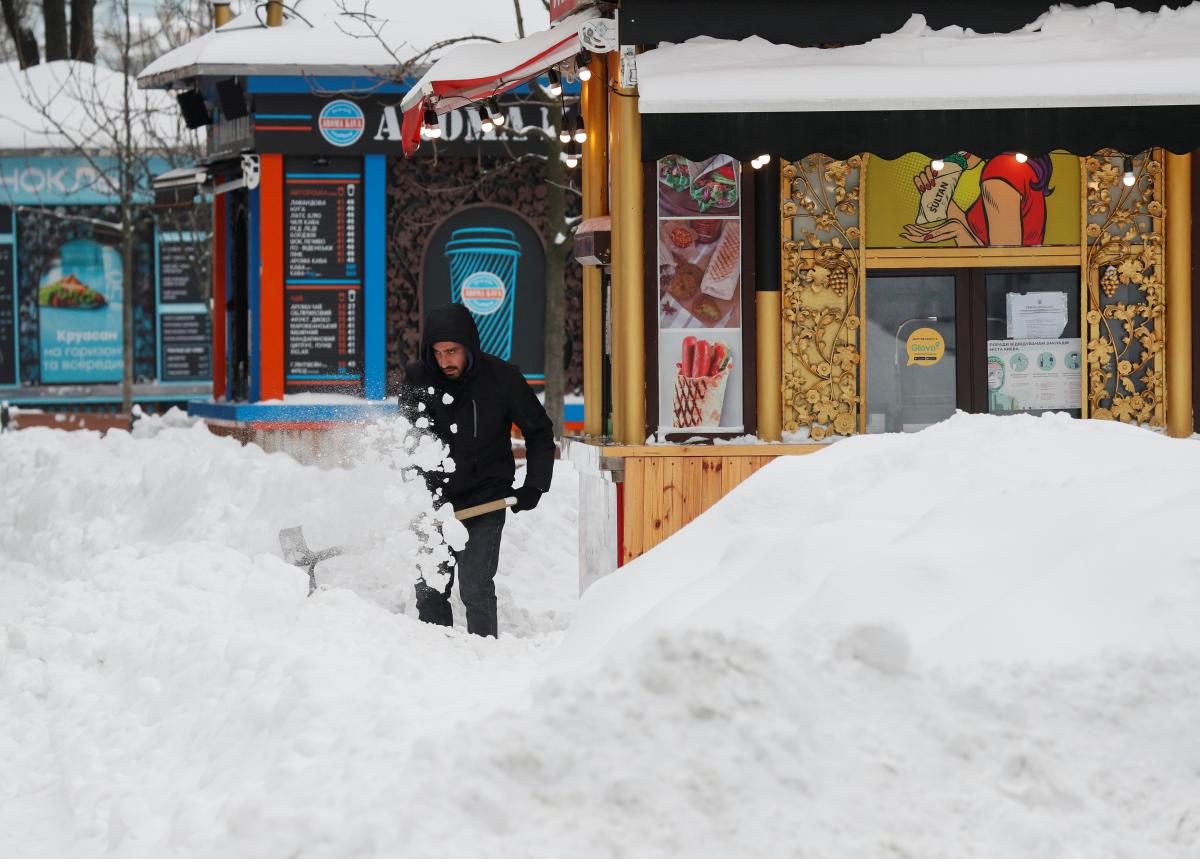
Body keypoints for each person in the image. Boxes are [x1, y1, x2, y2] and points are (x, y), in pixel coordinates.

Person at [399, 303, 555, 637]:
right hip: (433, 498)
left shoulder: (502, 378)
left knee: (476, 587)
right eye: (437, 353)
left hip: (486, 495)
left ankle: (485, 659)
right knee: (430, 588)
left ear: (469, 345)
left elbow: (539, 431)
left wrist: (535, 485)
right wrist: (412, 488)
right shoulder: (417, 378)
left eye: (452, 352)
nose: (444, 362)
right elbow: (406, 436)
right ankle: (435, 659)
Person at [903, 152, 1054, 247]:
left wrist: (958, 232)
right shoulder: (1012, 167)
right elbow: (980, 239)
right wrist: (938, 192)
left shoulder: (1001, 170)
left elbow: (1003, 261)